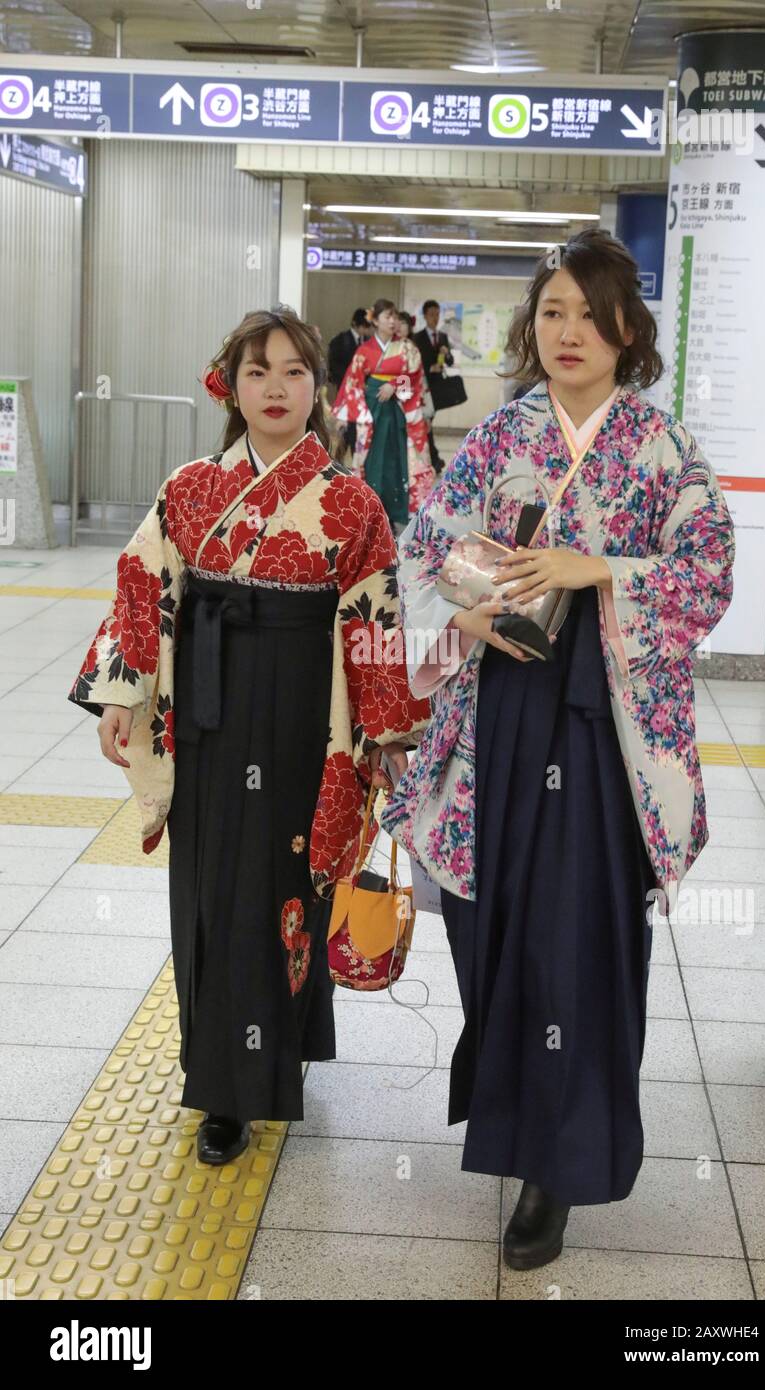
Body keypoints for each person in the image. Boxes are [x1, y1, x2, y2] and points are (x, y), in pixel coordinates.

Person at [382, 228, 735, 1270]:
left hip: (598, 727)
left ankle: (556, 1168)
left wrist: (602, 567)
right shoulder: (500, 436)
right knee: (489, 933)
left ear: (628, 330)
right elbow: (427, 539)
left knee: (577, 949)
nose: (567, 330)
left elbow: (704, 573)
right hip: (497, 712)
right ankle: (510, 1121)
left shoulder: (660, 449)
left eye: (588, 312)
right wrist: (471, 605)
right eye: (550, 312)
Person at [67, 307, 431, 1166]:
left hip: (309, 713)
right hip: (208, 706)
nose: (275, 387)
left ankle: (282, 1048)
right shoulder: (191, 486)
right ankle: (223, 1089)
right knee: (214, 889)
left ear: (319, 387)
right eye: (257, 370)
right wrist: (124, 692)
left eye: (294, 371)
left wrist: (386, 733)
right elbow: (140, 584)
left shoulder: (351, 502)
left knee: (292, 875)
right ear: (230, 384)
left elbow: (375, 623)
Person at [332, 297, 434, 533]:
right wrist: (356, 414)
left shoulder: (407, 348)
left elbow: (415, 379)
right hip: (371, 413)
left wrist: (396, 385)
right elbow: (352, 384)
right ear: (375, 321)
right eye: (387, 316)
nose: (393, 321)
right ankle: (371, 511)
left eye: (395, 316)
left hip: (397, 412)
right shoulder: (364, 351)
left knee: (397, 461)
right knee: (373, 461)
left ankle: (397, 511)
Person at [413, 299, 455, 473]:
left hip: (438, 388)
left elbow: (450, 361)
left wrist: (446, 355)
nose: (435, 318)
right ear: (425, 316)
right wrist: (430, 368)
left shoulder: (443, 337)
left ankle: (433, 458)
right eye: (431, 315)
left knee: (428, 422)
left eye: (437, 315)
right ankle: (434, 459)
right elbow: (415, 363)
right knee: (426, 422)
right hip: (423, 387)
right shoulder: (417, 338)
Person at [327, 307, 370, 457]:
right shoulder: (341, 340)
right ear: (355, 324)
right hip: (346, 390)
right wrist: (349, 380)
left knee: (353, 427)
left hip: (362, 392)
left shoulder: (368, 342)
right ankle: (343, 457)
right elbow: (334, 365)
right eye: (364, 326)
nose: (366, 329)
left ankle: (344, 458)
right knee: (347, 426)